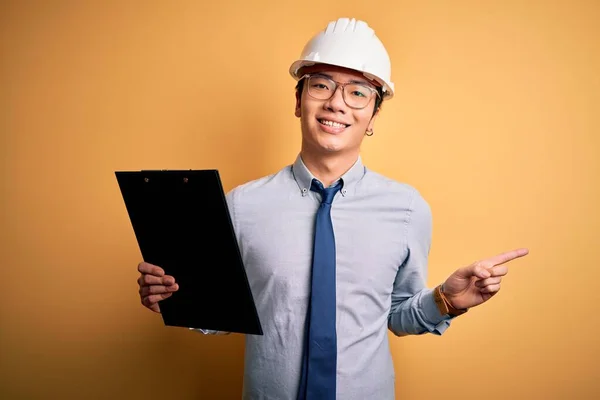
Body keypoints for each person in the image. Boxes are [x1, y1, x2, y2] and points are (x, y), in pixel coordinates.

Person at [136, 17, 528, 400]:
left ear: (373, 115)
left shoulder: (407, 209)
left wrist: (447, 300)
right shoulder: (242, 205)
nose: (337, 103)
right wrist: (176, 296)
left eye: (358, 92)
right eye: (321, 85)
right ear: (298, 100)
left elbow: (395, 315)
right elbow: (221, 314)